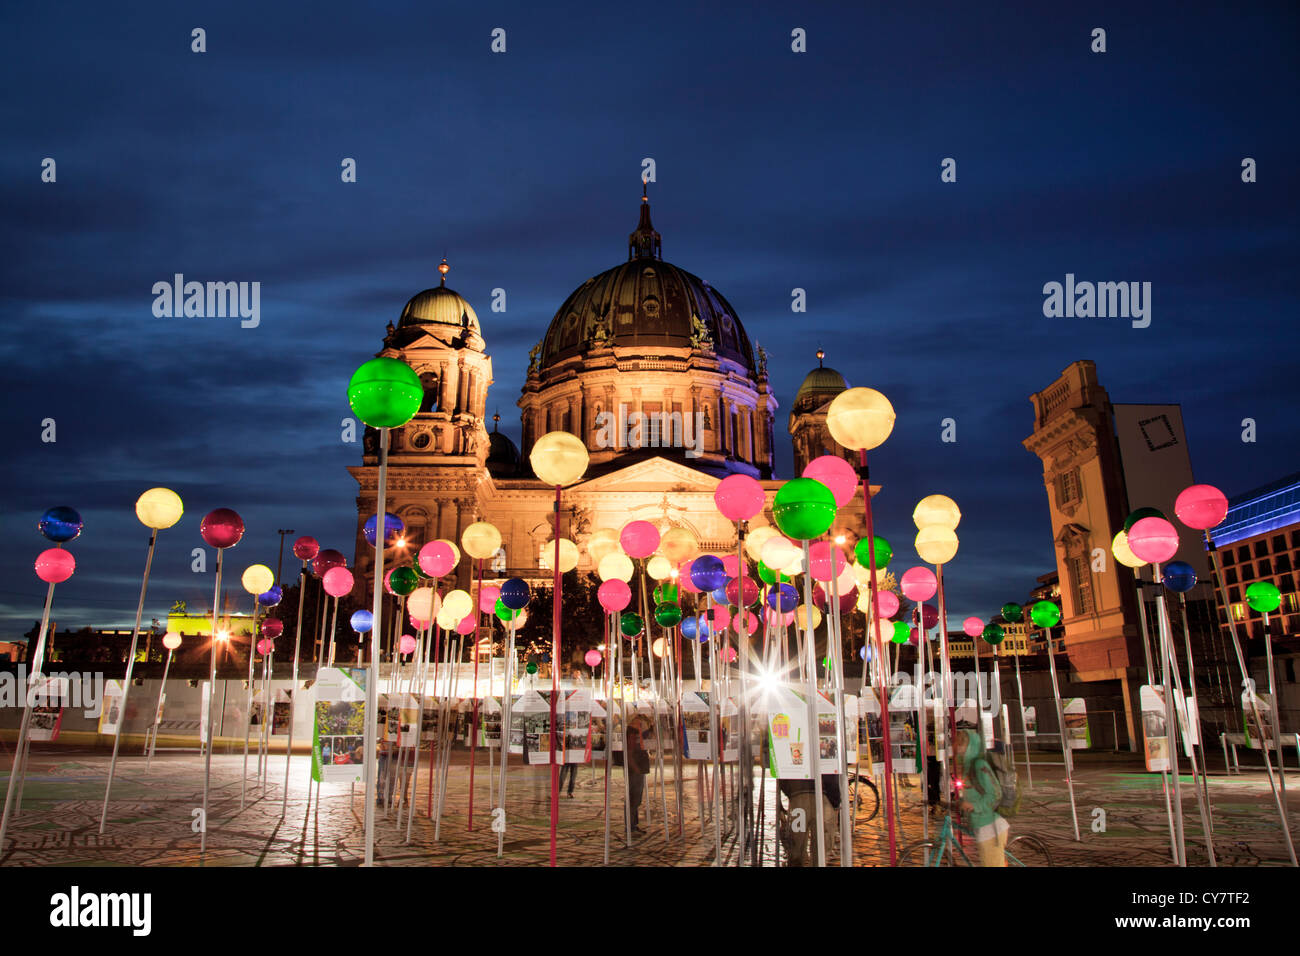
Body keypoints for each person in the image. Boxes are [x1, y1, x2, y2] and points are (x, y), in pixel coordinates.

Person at [953, 724, 1007, 866]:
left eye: (962, 745)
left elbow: (995, 794)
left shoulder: (979, 765)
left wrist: (973, 805)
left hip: (990, 828)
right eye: (958, 745)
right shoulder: (967, 767)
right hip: (981, 827)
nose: (959, 749)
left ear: (972, 746)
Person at [625, 725, 650, 834]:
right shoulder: (631, 734)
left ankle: (633, 825)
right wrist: (636, 769)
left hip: (639, 769)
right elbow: (629, 754)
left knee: (636, 799)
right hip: (635, 771)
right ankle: (630, 826)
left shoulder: (638, 733)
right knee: (633, 799)